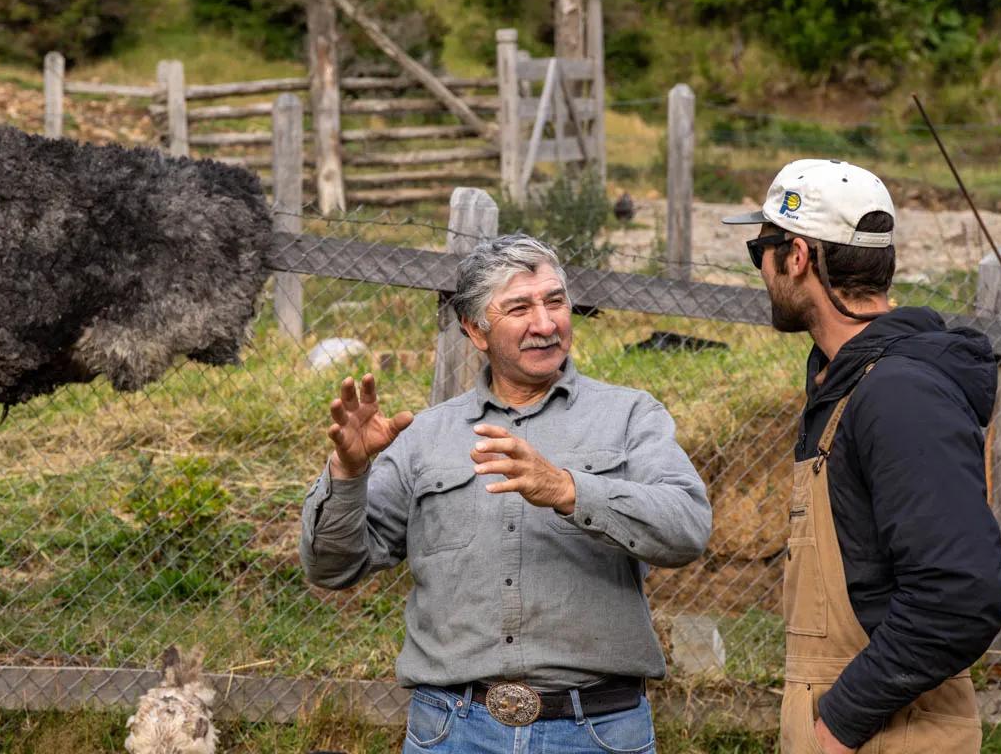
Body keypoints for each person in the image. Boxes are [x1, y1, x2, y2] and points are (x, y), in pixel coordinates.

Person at [300, 233, 712, 753]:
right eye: (519, 307)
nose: (545, 324)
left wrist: (568, 489)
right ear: (476, 329)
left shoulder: (630, 416)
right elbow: (332, 567)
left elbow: (687, 528)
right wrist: (348, 471)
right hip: (454, 731)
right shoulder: (426, 435)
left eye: (555, 301)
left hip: (598, 731)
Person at [723, 159, 1001, 753]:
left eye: (762, 252)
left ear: (797, 257)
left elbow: (959, 596)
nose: (763, 271)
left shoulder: (899, 393)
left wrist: (841, 722)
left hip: (886, 735)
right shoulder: (846, 383)